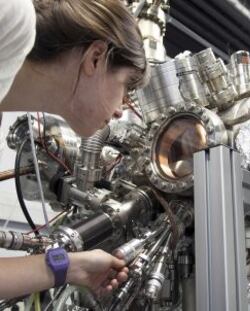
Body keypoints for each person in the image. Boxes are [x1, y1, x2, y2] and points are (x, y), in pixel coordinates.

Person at [0, 0, 150, 299]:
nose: (122, 110)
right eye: (126, 87)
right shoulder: (13, 18)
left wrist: (67, 268)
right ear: (96, 57)